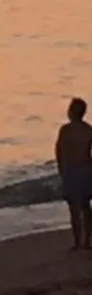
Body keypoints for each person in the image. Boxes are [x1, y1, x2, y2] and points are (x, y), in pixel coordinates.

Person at [56, 98, 92, 251]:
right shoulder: (88, 129)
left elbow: (59, 151)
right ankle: (87, 242)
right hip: (86, 169)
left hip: (72, 171)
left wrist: (61, 170)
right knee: (85, 206)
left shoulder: (65, 130)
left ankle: (78, 241)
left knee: (74, 209)